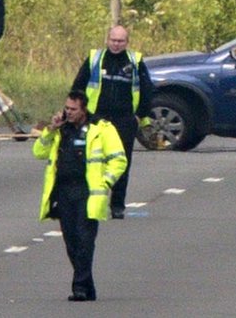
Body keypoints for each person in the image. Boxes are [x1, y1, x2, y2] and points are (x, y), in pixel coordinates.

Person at [33, 90, 127, 302]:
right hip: (64, 192)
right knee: (71, 242)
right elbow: (38, 152)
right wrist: (50, 130)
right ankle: (87, 285)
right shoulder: (61, 130)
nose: (69, 112)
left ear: (84, 109)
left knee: (85, 240)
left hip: (88, 192)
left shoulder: (101, 129)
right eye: (67, 108)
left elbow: (119, 159)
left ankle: (79, 287)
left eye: (73, 109)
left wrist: (106, 181)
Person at [71, 25, 153, 218]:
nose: (116, 44)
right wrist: (76, 113)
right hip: (96, 118)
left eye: (121, 41)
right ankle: (90, 201)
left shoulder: (135, 61)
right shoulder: (95, 59)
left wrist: (139, 115)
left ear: (127, 42)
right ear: (107, 40)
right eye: (113, 40)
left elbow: (147, 89)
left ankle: (117, 205)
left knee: (121, 163)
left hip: (124, 120)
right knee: (92, 160)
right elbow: (78, 86)